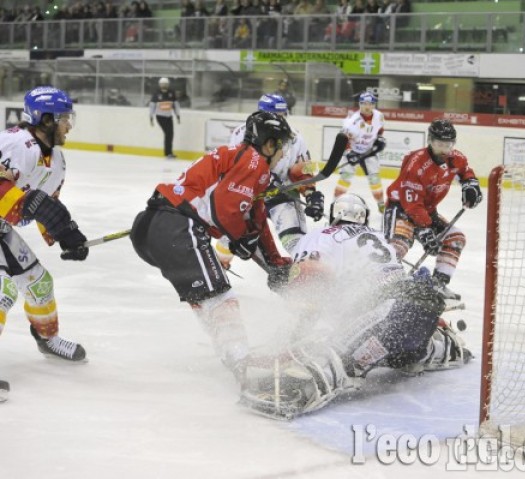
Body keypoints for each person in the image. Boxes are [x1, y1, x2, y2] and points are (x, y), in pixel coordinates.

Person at [239, 194, 471, 419]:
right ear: (363, 217)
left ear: (334, 215)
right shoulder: (378, 236)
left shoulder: (322, 235)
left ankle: (293, 389)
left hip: (389, 311)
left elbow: (309, 281)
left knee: (342, 359)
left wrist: (285, 281)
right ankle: (441, 345)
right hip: (422, 305)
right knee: (402, 353)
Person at [129, 111, 294, 383]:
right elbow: (224, 209)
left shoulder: (241, 160)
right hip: (178, 226)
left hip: (151, 227)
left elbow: (256, 219)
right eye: (281, 146)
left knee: (204, 297)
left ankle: (232, 353)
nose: (283, 154)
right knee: (220, 298)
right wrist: (241, 238)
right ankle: (244, 366)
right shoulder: (254, 163)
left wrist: (275, 261)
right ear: (268, 144)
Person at [0, 86, 92, 400]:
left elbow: (46, 205)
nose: (69, 125)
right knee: (2, 290)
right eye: (65, 118)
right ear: (46, 118)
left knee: (39, 285)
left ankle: (47, 339)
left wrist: (65, 236)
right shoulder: (16, 143)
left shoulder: (58, 162)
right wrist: (33, 205)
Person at [217, 93, 323, 263]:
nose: (281, 120)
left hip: (281, 194)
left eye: (283, 115)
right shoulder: (242, 134)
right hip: (250, 195)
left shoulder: (295, 138)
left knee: (295, 241)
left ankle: (305, 271)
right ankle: (219, 265)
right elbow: (235, 168)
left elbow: (303, 167)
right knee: (231, 236)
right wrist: (261, 177)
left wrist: (312, 194)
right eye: (276, 116)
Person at [383, 119, 482, 301]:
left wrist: (471, 185)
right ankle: (384, 284)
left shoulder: (456, 158)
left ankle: (438, 284)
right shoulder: (416, 164)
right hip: (402, 209)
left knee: (455, 239)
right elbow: (412, 204)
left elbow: (466, 171)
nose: (444, 150)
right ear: (430, 141)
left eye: (448, 145)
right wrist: (425, 231)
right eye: (439, 145)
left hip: (426, 211)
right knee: (397, 247)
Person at [333, 92, 387, 213]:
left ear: (374, 105)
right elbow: (344, 138)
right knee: (345, 178)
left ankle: (381, 204)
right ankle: (335, 203)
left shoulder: (379, 116)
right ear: (360, 104)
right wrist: (348, 152)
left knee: (374, 179)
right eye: (364, 104)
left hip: (369, 152)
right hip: (352, 151)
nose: (367, 107)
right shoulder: (352, 120)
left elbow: (380, 129)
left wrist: (379, 138)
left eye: (370, 104)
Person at [149, 77, 181, 159]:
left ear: (168, 84)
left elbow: (175, 105)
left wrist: (177, 115)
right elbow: (152, 105)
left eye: (165, 84)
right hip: (160, 117)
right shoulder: (156, 94)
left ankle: (169, 153)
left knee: (170, 134)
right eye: (162, 84)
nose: (164, 85)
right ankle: (168, 153)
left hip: (169, 117)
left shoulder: (171, 93)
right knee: (168, 133)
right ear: (160, 85)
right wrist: (151, 116)